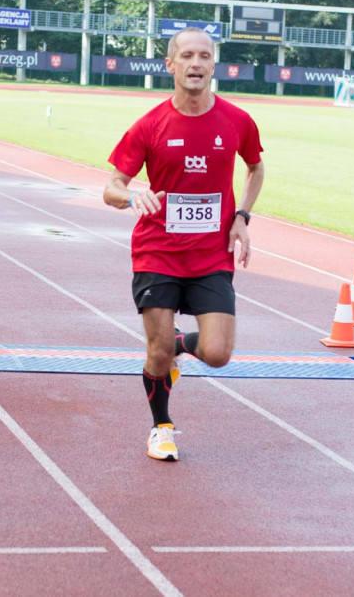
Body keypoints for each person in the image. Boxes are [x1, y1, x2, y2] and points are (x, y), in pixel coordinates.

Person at [103, 28, 265, 462]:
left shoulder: (237, 121)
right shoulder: (150, 125)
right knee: (154, 352)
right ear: (170, 65)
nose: (197, 63)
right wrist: (132, 194)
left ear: (214, 65)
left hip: (211, 255)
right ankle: (161, 427)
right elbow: (111, 187)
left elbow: (255, 168)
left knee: (217, 353)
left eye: (205, 56)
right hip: (158, 252)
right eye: (187, 56)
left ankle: (175, 343)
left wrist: (241, 217)